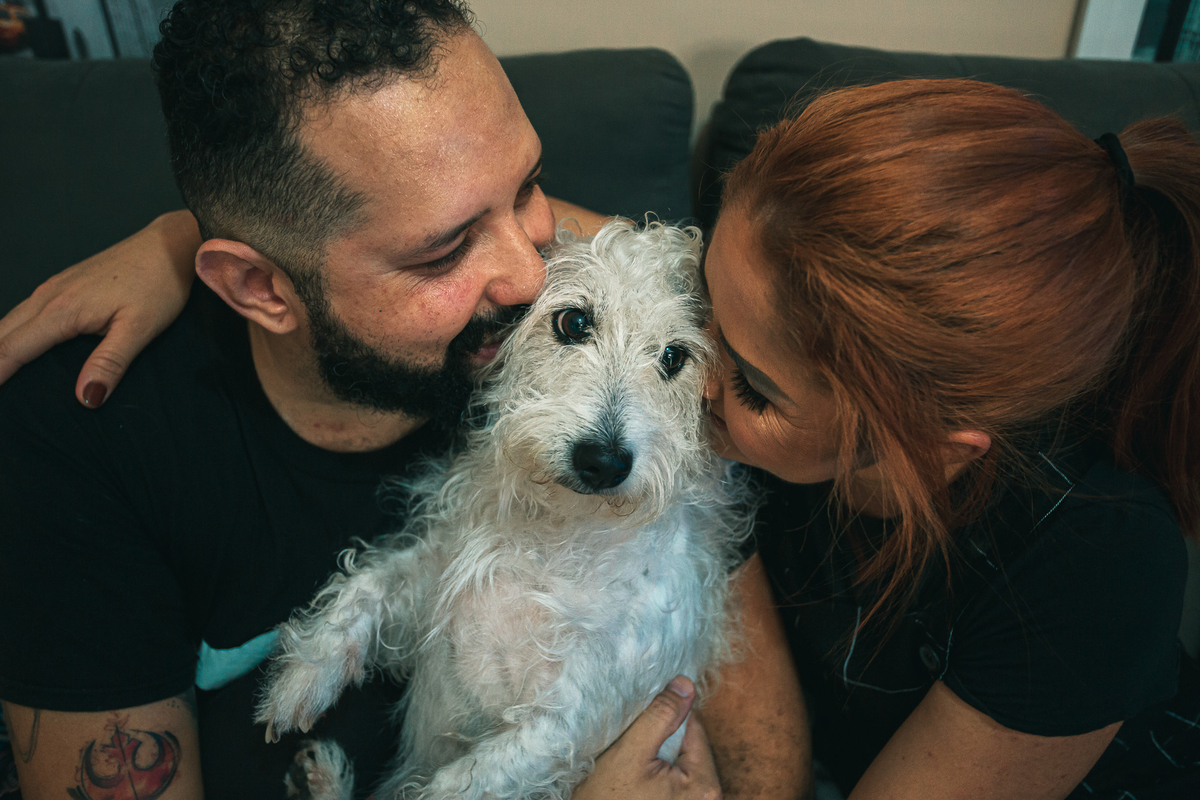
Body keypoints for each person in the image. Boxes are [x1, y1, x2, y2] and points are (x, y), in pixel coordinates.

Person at [2, 24, 1198, 800]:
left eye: (530, 189)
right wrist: (179, 239)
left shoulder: (1086, 553)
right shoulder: (86, 442)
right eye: (443, 249)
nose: (533, 277)